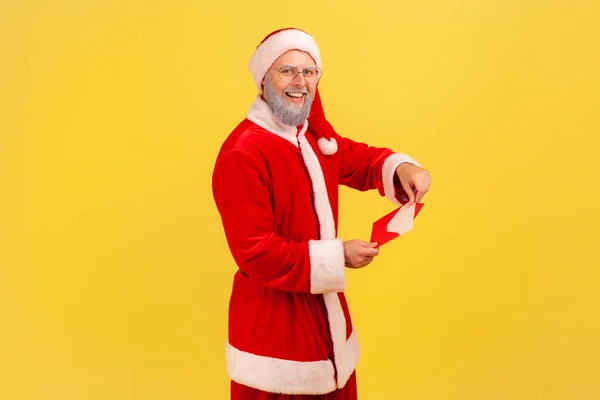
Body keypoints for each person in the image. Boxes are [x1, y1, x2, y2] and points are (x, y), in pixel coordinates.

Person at [211, 28, 431, 400]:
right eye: (287, 71)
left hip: (328, 331)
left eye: (309, 72)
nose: (300, 82)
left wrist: (399, 169)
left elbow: (357, 159)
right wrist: (337, 256)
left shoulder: (312, 138)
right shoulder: (242, 154)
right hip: (274, 338)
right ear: (263, 80)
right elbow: (255, 252)